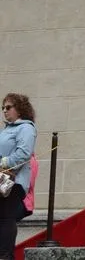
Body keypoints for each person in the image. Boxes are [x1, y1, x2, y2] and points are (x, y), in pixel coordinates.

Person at [0, 94, 36, 260]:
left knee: (6, 217)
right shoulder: (6, 129)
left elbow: (23, 154)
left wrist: (3, 162)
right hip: (2, 180)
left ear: (20, 109)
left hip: (14, 182)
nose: (4, 111)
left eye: (8, 107)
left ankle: (5, 256)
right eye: (3, 108)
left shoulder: (26, 128)